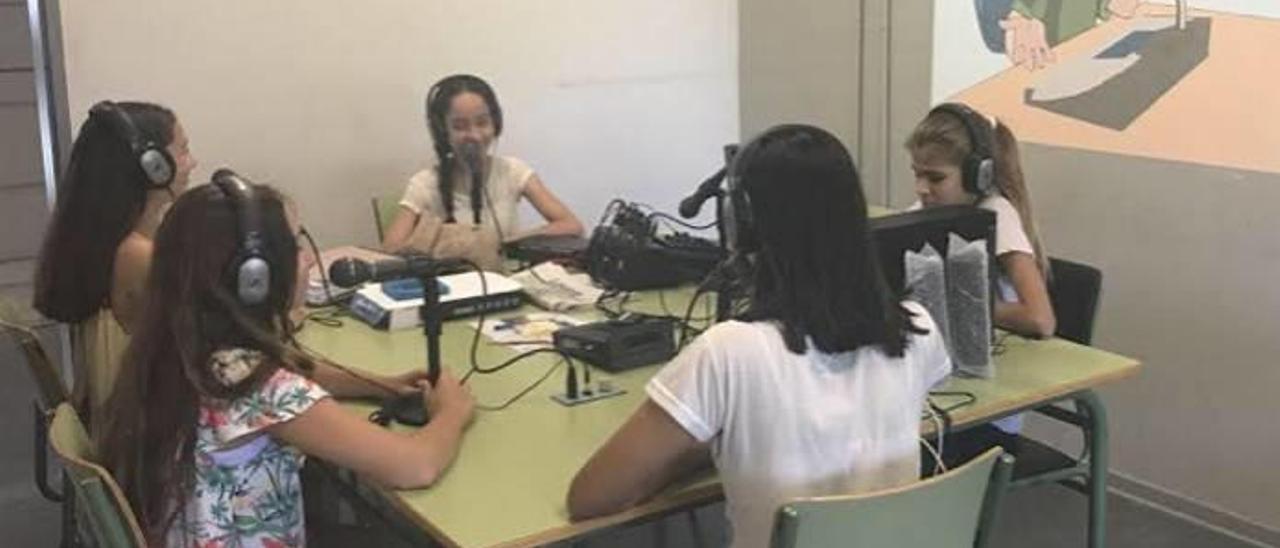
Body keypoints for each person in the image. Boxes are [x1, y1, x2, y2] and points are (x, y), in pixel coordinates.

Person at [566, 125, 952, 547]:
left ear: (744, 225)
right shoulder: (918, 328)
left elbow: (591, 496)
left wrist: (698, 448)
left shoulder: (728, 351)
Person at [97, 179, 475, 546]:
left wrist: (379, 384)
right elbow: (415, 465)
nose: (309, 258)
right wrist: (451, 412)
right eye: (296, 245)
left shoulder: (183, 347)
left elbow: (290, 371)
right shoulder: (262, 389)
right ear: (254, 278)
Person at [907, 102, 1056, 465]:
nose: (922, 188)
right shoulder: (934, 210)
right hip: (948, 380)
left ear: (979, 175)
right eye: (916, 174)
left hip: (988, 412)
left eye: (935, 178)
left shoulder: (997, 214)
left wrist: (961, 306)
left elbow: (1040, 320)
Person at [32, 101, 196, 425]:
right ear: (154, 166)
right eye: (183, 150)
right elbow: (206, 338)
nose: (193, 163)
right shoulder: (136, 255)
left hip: (119, 420)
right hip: (140, 436)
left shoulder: (112, 239)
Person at [382, 74, 583, 269]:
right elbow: (390, 250)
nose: (475, 135)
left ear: (495, 123)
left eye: (482, 122)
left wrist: (503, 243)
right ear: (442, 131)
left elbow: (571, 225)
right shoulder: (424, 184)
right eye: (460, 126)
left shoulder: (513, 171)